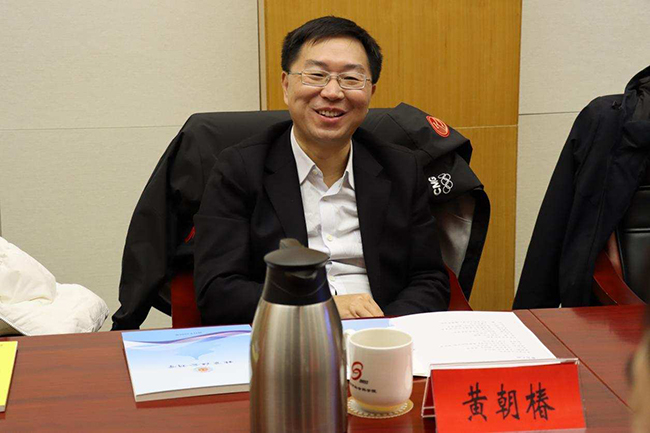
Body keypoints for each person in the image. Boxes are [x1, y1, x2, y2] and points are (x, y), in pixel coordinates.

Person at [193, 16, 450, 325]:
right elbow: (217, 291)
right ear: (286, 85)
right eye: (316, 75)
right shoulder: (240, 168)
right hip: (288, 335)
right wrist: (320, 307)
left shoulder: (401, 168)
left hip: (381, 332)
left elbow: (429, 278)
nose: (332, 92)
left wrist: (385, 328)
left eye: (351, 79)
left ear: (371, 92)